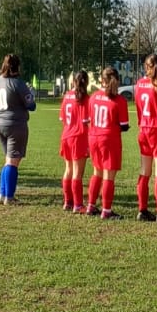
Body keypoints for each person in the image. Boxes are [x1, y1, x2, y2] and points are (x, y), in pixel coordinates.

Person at [132, 53, 157, 223]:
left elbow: (138, 107)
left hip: (143, 130)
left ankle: (142, 210)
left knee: (144, 171)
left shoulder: (139, 85)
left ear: (146, 67)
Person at [0, 53, 36, 204]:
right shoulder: (18, 83)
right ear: (18, 67)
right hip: (14, 124)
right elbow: (31, 105)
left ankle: (3, 194)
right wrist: (31, 94)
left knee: (8, 159)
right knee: (13, 161)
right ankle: (9, 197)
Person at [86, 66, 129, 219]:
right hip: (109, 139)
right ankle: (106, 210)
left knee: (97, 172)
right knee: (109, 176)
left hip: (94, 138)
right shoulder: (119, 100)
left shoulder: (93, 97)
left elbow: (90, 119)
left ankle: (91, 205)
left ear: (102, 80)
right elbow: (124, 126)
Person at [58, 69, 91, 213]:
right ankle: (78, 205)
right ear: (86, 82)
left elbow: (62, 118)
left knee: (68, 170)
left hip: (66, 136)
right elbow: (87, 121)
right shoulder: (85, 98)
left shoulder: (67, 96)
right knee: (77, 173)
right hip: (79, 137)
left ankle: (68, 202)